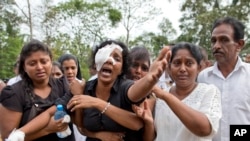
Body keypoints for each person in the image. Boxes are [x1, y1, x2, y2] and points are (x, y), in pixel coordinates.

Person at [67, 39, 169, 141]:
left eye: (116, 58)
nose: (109, 60)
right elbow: (80, 125)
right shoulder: (84, 88)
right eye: (104, 55)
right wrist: (99, 135)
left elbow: (134, 95)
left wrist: (149, 79)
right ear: (95, 63)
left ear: (122, 70)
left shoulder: (125, 87)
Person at [0, 39, 75, 141]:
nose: (39, 67)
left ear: (51, 61)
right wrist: (47, 129)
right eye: (32, 63)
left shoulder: (63, 85)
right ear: (24, 67)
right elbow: (8, 138)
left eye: (44, 62)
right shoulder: (14, 93)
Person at [147, 42, 221, 141]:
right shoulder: (159, 97)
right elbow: (154, 136)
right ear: (169, 68)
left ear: (199, 68)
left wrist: (166, 96)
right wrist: (147, 122)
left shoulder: (209, 91)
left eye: (189, 63)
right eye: (177, 63)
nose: (182, 69)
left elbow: (204, 129)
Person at [197, 17, 250, 141]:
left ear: (239, 44)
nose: (216, 46)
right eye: (213, 40)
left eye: (224, 40)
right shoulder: (203, 77)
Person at [58, 53, 87, 141]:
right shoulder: (56, 86)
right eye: (66, 68)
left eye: (73, 68)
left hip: (80, 129)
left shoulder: (83, 85)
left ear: (77, 68)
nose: (70, 72)